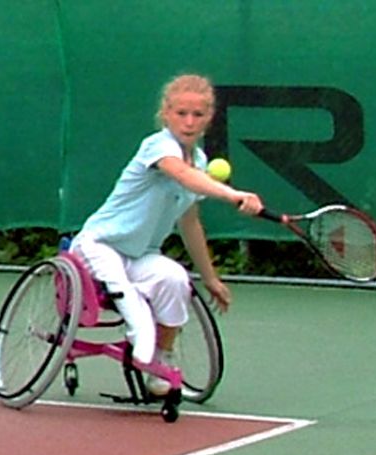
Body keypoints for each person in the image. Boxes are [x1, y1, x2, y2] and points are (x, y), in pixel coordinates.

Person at [69, 73, 264, 395]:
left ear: (209, 118)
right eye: (181, 113)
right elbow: (183, 176)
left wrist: (211, 278)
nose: (189, 122)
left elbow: (190, 223)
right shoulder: (157, 146)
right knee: (125, 292)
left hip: (142, 255)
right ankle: (142, 341)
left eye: (198, 115)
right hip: (99, 245)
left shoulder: (199, 161)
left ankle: (161, 358)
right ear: (166, 114)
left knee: (175, 279)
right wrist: (233, 195)